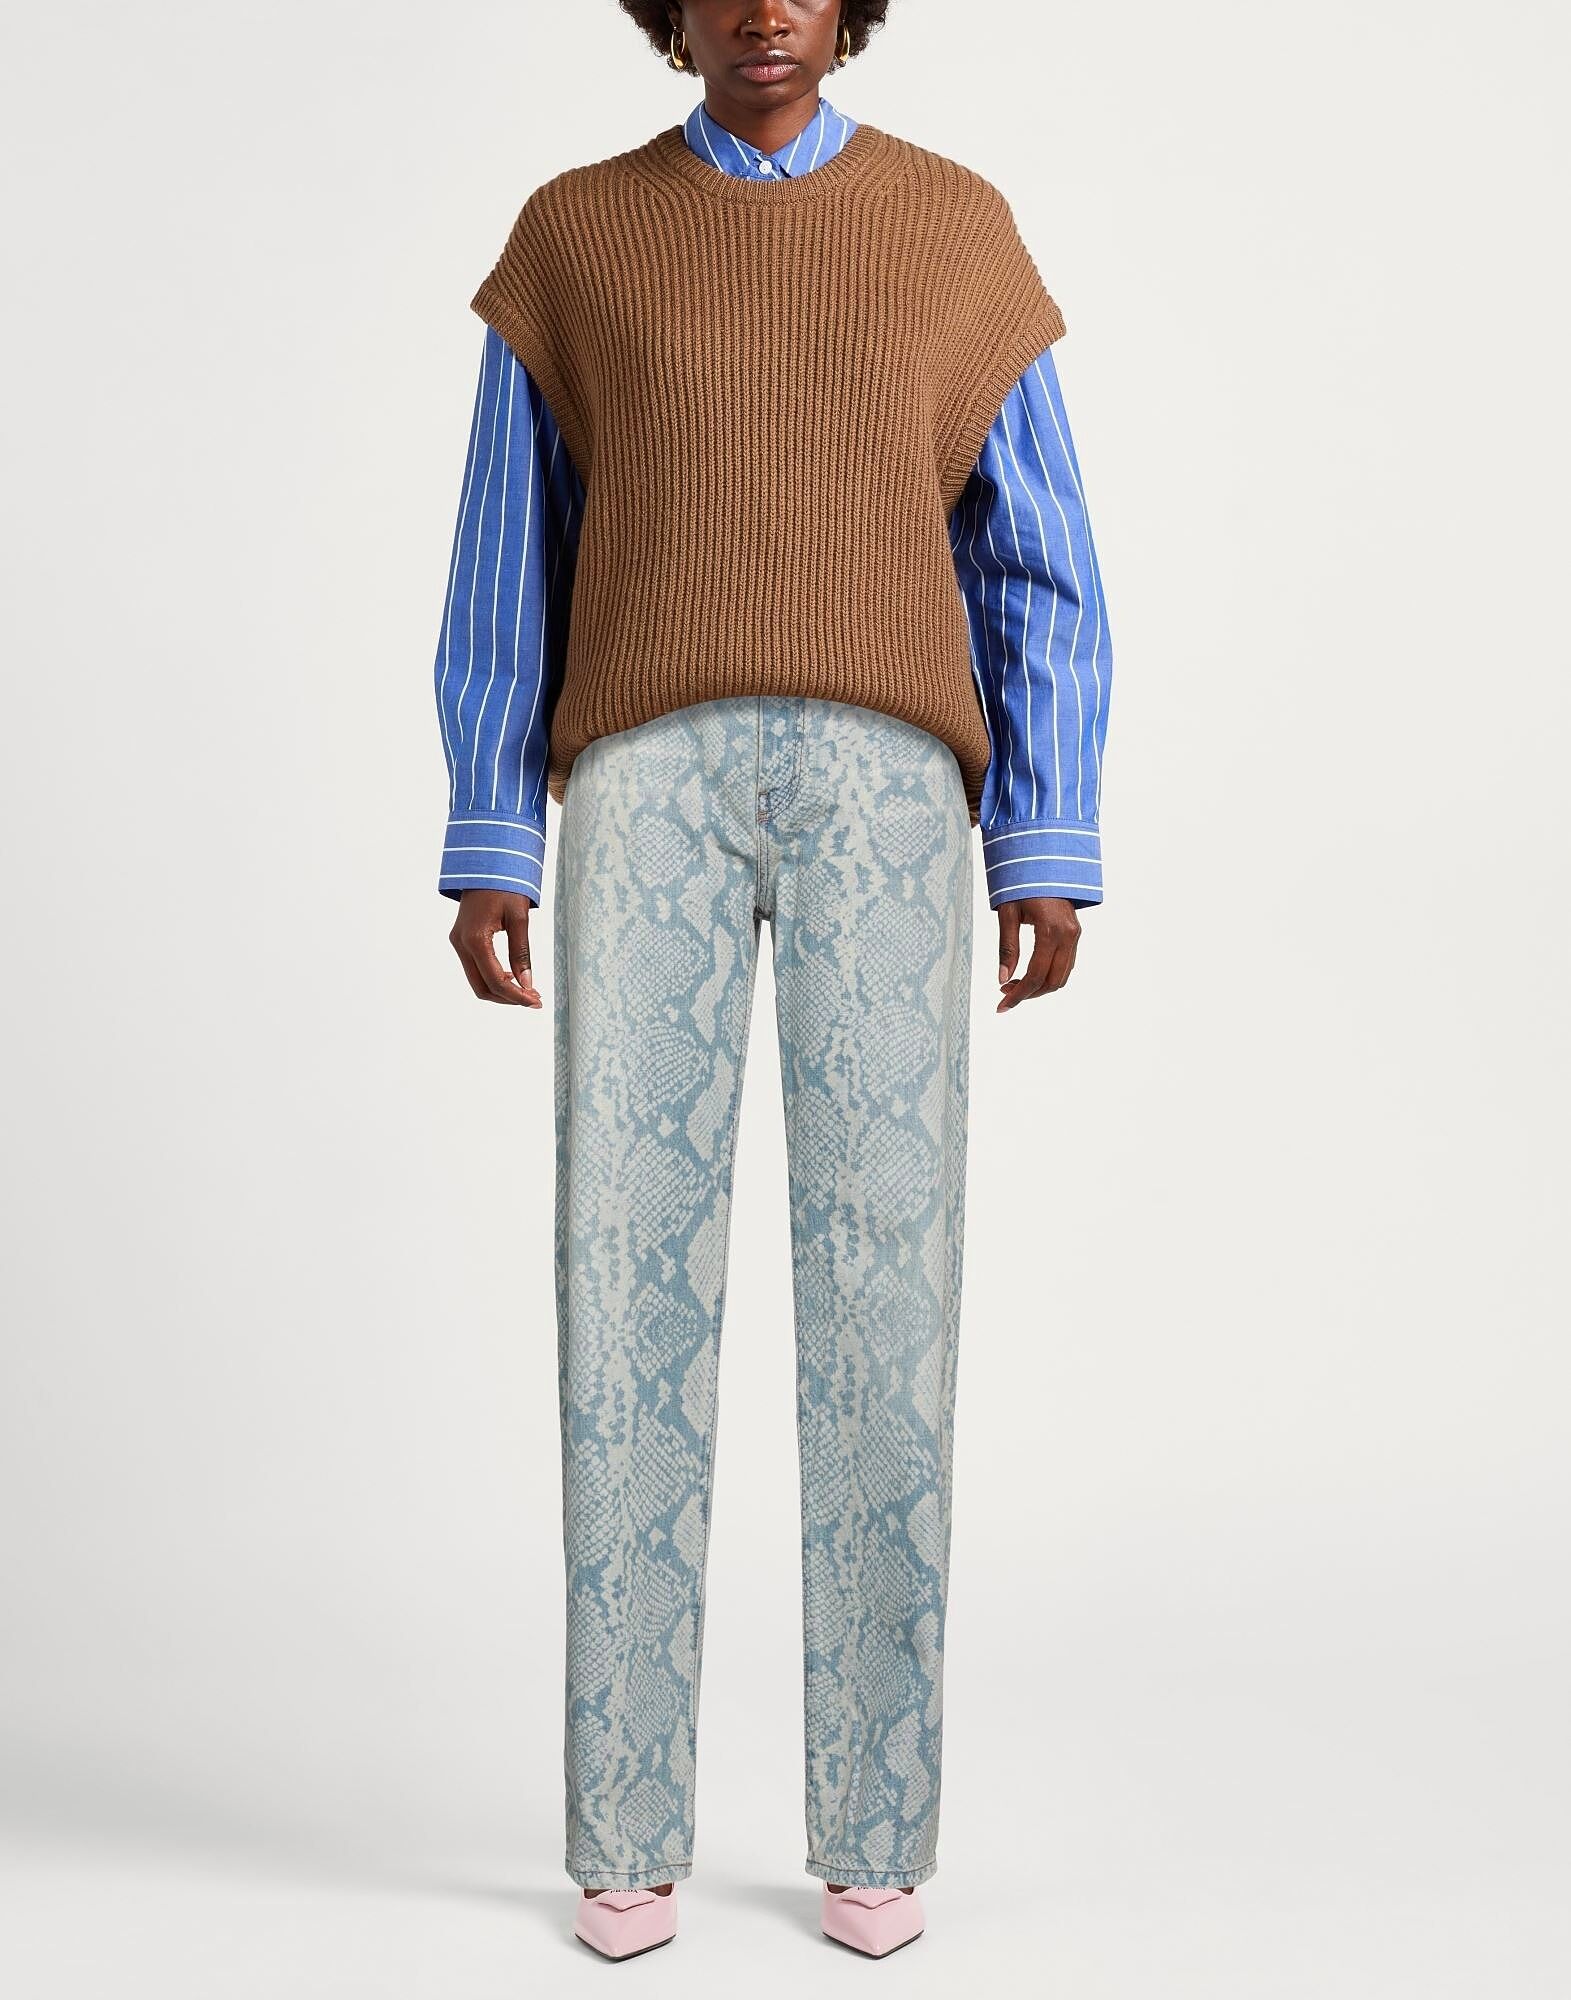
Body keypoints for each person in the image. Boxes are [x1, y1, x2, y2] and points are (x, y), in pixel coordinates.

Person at [432, 0, 1112, 1963]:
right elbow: (506, 552)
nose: (763, 5)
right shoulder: (576, 237)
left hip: (891, 788)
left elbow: (1037, 553)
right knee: (623, 1281)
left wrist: (1045, 829)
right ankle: (623, 1823)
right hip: (641, 779)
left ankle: (875, 1824)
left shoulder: (954, 231)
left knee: (890, 1282)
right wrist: (492, 829)